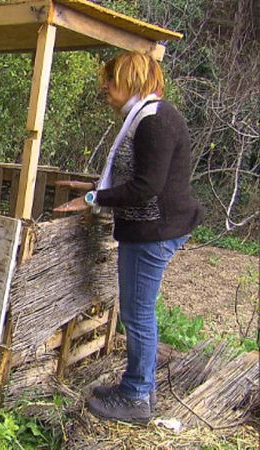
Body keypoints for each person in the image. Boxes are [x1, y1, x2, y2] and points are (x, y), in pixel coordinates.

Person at [54, 51, 203, 423]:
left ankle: (136, 396)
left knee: (137, 315)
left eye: (111, 79)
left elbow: (146, 187)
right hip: (151, 228)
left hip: (152, 232)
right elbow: (138, 178)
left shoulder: (153, 121)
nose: (104, 87)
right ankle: (140, 388)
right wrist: (94, 186)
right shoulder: (145, 117)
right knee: (141, 313)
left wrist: (94, 198)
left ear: (133, 79)